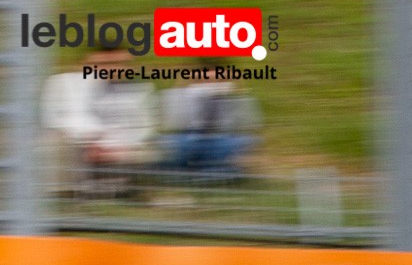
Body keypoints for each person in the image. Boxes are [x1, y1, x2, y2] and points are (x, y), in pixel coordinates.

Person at [41, 50, 156, 198]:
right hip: (85, 142)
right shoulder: (71, 85)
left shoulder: (141, 90)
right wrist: (91, 141)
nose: (112, 69)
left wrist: (119, 146)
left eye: (119, 64)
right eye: (103, 64)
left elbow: (145, 127)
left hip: (121, 145)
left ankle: (116, 191)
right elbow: (60, 118)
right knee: (58, 144)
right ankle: (67, 196)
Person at [159, 66, 261, 181]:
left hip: (220, 141)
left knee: (242, 142)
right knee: (174, 143)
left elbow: (247, 124)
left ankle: (201, 174)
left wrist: (237, 88)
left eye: (217, 79)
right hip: (191, 141)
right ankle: (205, 174)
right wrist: (183, 85)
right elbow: (174, 122)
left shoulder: (230, 96)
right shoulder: (187, 95)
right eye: (204, 79)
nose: (210, 83)